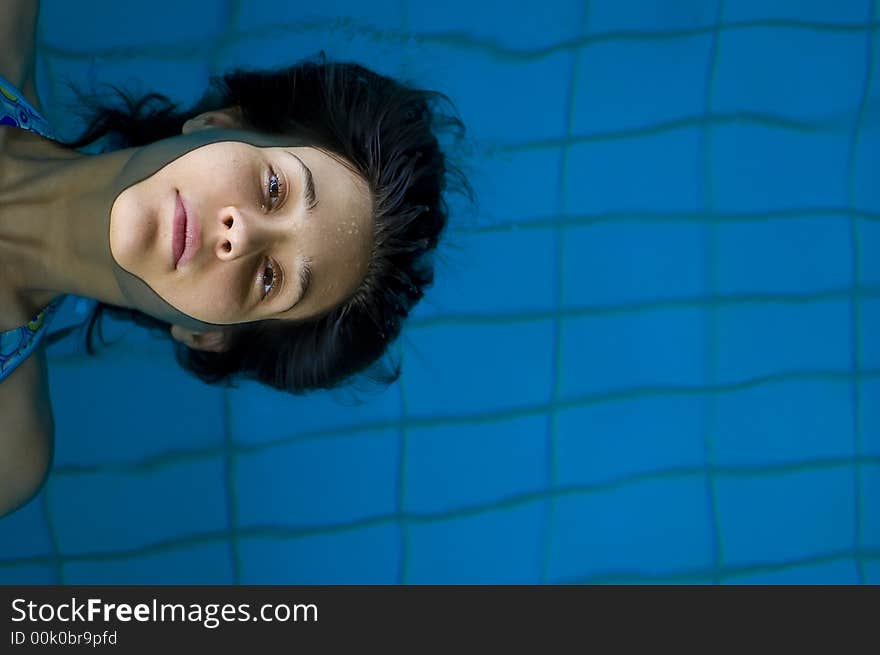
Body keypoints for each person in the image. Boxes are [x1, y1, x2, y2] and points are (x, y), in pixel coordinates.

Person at [0, 46, 469, 516]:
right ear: (217, 124)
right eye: (274, 188)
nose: (240, 233)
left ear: (207, 335)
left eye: (270, 280)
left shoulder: (10, 451)